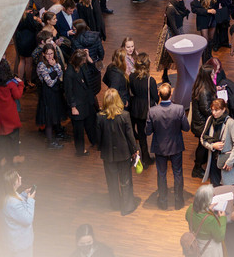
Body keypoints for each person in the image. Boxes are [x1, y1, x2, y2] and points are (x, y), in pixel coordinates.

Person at [145, 82, 188, 210]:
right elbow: (186, 128)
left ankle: (163, 202)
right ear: (171, 94)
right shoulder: (179, 109)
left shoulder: (153, 111)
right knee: (178, 173)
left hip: (160, 147)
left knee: (161, 174)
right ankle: (179, 202)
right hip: (176, 146)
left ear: (159, 94)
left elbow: (147, 131)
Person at [96, 89, 138, 216]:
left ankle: (115, 204)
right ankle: (127, 207)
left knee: (112, 181)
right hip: (124, 153)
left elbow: (98, 137)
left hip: (108, 154)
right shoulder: (125, 115)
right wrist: (134, 150)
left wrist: (101, 148)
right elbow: (130, 136)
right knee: (126, 181)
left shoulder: (100, 117)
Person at [0, 59, 25, 167]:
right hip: (10, 115)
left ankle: (1, 159)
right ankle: (15, 157)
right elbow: (17, 95)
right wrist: (21, 84)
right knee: (13, 137)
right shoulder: (10, 84)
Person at [64, 49, 98, 156]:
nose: (84, 62)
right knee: (78, 130)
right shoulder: (69, 73)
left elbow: (93, 72)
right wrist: (73, 107)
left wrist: (88, 58)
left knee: (91, 123)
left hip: (86, 100)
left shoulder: (82, 66)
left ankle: (95, 141)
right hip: (77, 105)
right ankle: (80, 151)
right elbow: (68, 92)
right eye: (83, 60)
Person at [185, 184, 227, 257]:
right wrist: (223, 218)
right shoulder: (210, 219)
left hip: (195, 243)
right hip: (209, 249)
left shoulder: (190, 208)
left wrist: (207, 209)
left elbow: (187, 217)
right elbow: (220, 237)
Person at [2, 170, 36, 257]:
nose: (20, 177)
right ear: (14, 183)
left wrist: (24, 194)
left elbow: (18, 202)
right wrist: (31, 200)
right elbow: (28, 219)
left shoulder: (11, 195)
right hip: (21, 245)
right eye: (18, 177)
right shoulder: (13, 203)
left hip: (20, 243)